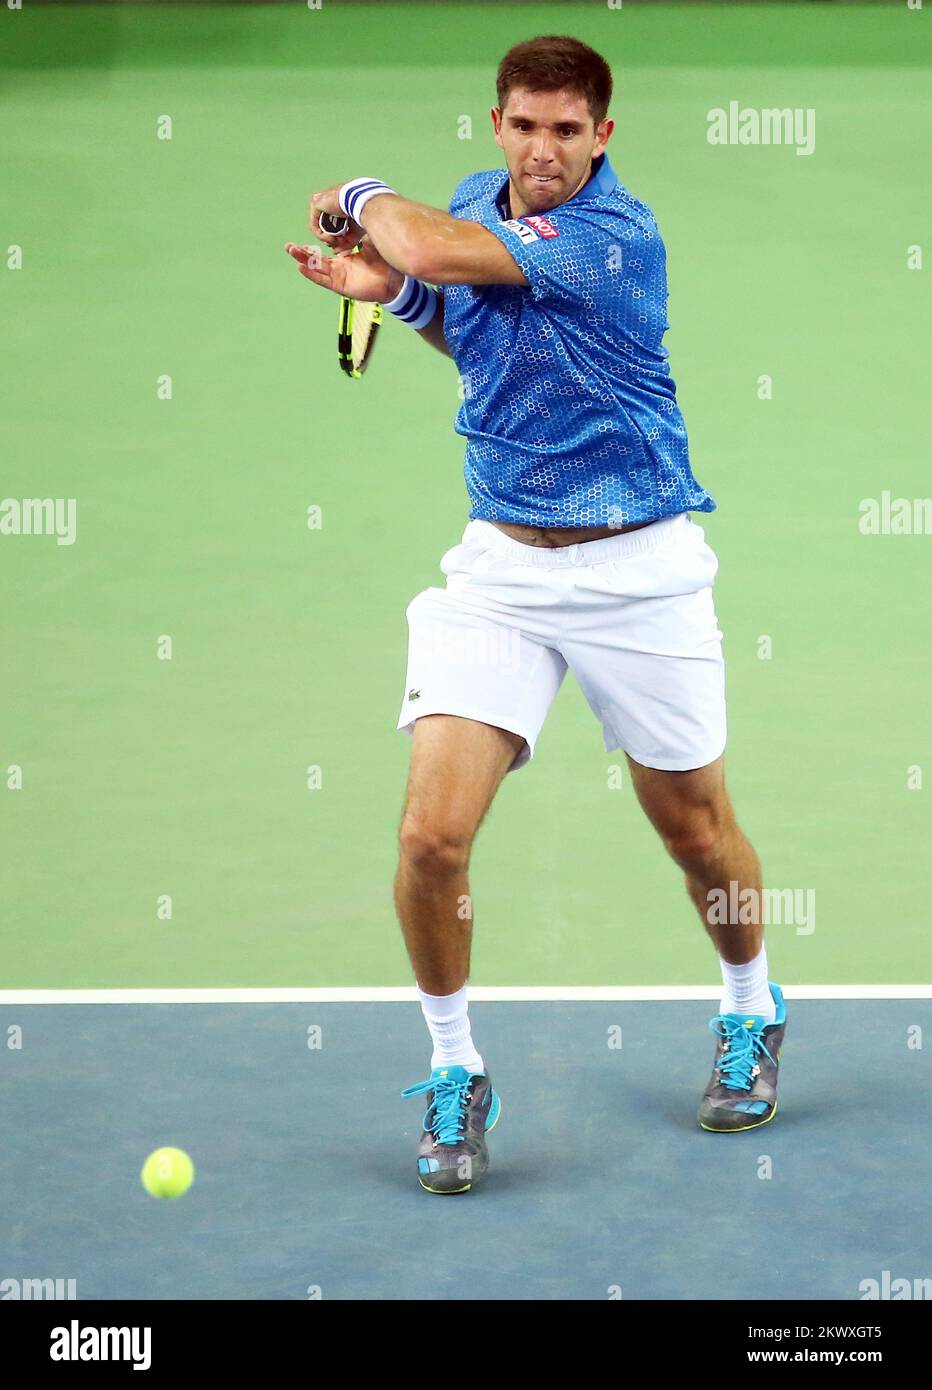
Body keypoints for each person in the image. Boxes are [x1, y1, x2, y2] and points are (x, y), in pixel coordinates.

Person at [285, 33, 786, 1196]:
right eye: (523, 125)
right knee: (427, 839)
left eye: (567, 131)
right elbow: (470, 325)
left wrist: (358, 197)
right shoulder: (475, 207)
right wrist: (394, 291)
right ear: (495, 124)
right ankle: (455, 1072)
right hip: (499, 570)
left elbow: (435, 240)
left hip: (640, 570)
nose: (542, 149)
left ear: (602, 136)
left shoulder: (617, 236)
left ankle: (750, 1005)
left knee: (694, 831)